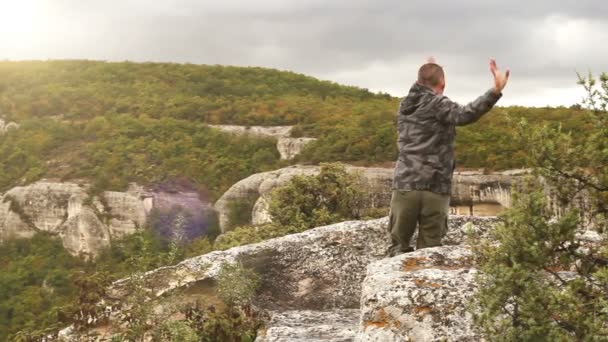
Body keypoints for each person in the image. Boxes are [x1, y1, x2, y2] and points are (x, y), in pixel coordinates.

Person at [388, 57, 510, 256]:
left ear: (418, 82)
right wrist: (495, 91)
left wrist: (429, 71)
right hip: (435, 186)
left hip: (405, 184)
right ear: (443, 84)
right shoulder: (439, 103)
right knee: (429, 251)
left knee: (397, 247)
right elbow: (465, 114)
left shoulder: (405, 105)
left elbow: (422, 86)